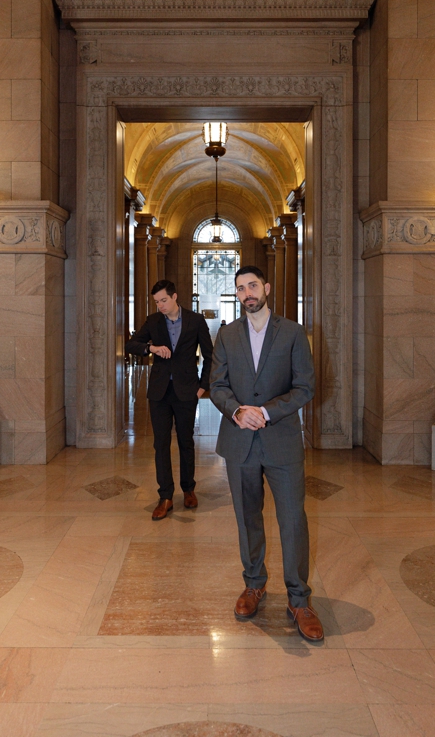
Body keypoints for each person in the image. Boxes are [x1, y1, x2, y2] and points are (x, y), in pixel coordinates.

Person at [209, 265, 323, 642]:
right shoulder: (226, 336)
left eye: (252, 285)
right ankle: (254, 584)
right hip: (239, 441)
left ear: (267, 288)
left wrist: (268, 412)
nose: (247, 293)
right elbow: (217, 385)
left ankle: (298, 599)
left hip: (282, 442)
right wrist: (238, 410)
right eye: (240, 288)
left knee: (292, 520)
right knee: (247, 519)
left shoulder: (291, 333)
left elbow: (305, 387)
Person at [126, 280, 213, 520]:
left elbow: (209, 355)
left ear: (175, 297)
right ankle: (165, 496)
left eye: (163, 300)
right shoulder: (153, 321)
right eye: (156, 302)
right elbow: (131, 344)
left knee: (186, 442)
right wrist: (151, 348)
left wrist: (202, 387)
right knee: (160, 444)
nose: (160, 305)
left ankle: (188, 489)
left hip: (187, 391)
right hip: (159, 393)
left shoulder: (195, 320)